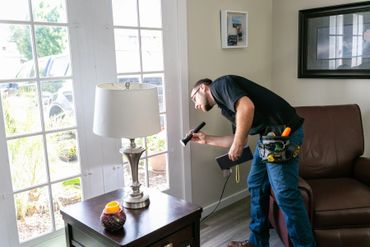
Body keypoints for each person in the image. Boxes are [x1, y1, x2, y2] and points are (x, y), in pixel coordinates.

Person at [189, 75, 315, 247]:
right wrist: (207, 139)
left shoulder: (220, 85)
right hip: (269, 137)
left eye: (194, 97)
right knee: (255, 183)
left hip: (284, 133)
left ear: (203, 88)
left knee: (285, 193)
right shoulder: (226, 107)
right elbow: (239, 138)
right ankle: (258, 242)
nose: (195, 104)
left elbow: (247, 107)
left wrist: (238, 144)